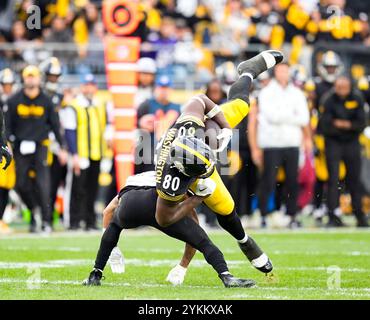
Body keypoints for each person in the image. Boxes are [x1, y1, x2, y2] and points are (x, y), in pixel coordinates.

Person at [154, 50, 283, 271]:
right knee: (225, 206)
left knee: (241, 105)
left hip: (211, 128)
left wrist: (224, 128)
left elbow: (201, 99)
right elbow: (164, 219)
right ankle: (245, 240)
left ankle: (248, 71)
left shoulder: (194, 126)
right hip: (189, 168)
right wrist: (196, 199)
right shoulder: (168, 178)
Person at [83, 164, 256, 288]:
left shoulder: (135, 178)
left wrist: (111, 245)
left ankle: (95, 274)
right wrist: (183, 266)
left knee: (115, 225)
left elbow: (107, 211)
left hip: (130, 203)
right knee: (203, 241)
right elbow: (194, 228)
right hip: (157, 202)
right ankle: (226, 276)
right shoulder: (177, 179)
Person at [5, 65, 67, 233]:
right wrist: (8, 143)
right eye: (28, 76)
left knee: (44, 185)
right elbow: (8, 126)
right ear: (24, 78)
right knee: (20, 183)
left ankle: (47, 221)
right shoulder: (14, 100)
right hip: (20, 146)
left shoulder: (46, 100)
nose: (31, 79)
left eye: (34, 76)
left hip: (41, 146)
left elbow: (55, 126)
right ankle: (34, 209)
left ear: (39, 78)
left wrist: (62, 148)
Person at [256, 63, 310, 228]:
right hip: (272, 143)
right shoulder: (266, 92)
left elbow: (304, 118)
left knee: (292, 181)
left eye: (286, 71)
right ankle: (264, 214)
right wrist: (291, 116)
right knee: (269, 181)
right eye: (280, 71)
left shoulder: (297, 93)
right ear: (275, 73)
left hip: (292, 142)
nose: (283, 74)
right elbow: (271, 116)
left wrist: (285, 117)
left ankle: (291, 215)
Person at [319, 75, 368, 227]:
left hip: (352, 143)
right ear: (335, 86)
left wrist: (343, 124)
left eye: (344, 87)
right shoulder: (328, 99)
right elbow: (325, 126)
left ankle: (359, 215)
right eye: (339, 87)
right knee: (333, 179)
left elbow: (361, 123)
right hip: (333, 143)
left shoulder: (357, 98)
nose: (342, 90)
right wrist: (348, 126)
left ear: (350, 87)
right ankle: (332, 216)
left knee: (355, 179)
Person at [63, 73, 108, 230]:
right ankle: (74, 221)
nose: (89, 88)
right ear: (82, 87)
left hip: (97, 152)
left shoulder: (100, 104)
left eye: (92, 85)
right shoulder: (74, 105)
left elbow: (106, 126)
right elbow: (69, 131)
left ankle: (89, 220)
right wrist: (74, 154)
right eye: (86, 85)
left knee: (92, 188)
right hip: (80, 154)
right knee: (77, 188)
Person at [39, 57, 67, 222]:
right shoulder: (39, 94)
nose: (53, 79)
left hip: (56, 143)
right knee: (41, 182)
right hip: (41, 141)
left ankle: (49, 217)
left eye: (56, 76)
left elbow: (59, 122)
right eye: (51, 75)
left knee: (55, 181)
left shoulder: (59, 95)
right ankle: (42, 215)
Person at [136, 75, 181, 173]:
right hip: (147, 152)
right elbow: (133, 123)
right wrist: (140, 123)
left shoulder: (177, 108)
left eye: (166, 88)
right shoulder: (146, 105)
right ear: (156, 88)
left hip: (169, 153)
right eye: (161, 88)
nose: (163, 91)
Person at [0, 68, 15, 233]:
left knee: (6, 184)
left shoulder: (15, 100)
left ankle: (1, 219)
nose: (7, 87)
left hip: (8, 144)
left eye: (9, 84)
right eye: (5, 84)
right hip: (3, 143)